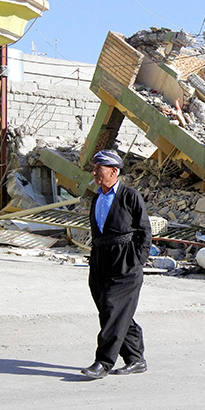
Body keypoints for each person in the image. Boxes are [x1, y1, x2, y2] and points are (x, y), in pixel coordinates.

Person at [81, 150, 152, 379]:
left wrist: (136, 261)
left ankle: (103, 362)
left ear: (113, 171)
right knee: (111, 311)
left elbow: (145, 232)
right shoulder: (97, 197)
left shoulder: (130, 196)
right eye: (94, 168)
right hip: (101, 260)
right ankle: (135, 359)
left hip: (125, 263)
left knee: (113, 309)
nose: (94, 173)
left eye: (98, 169)